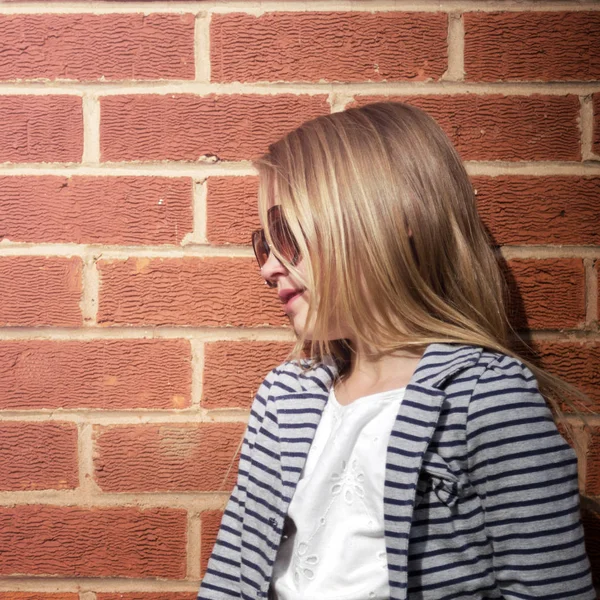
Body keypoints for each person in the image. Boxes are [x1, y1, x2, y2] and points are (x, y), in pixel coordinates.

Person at [197, 101, 595, 600]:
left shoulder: (485, 399)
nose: (268, 267)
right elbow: (230, 576)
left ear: (391, 215)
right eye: (262, 243)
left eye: (285, 233)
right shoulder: (284, 398)